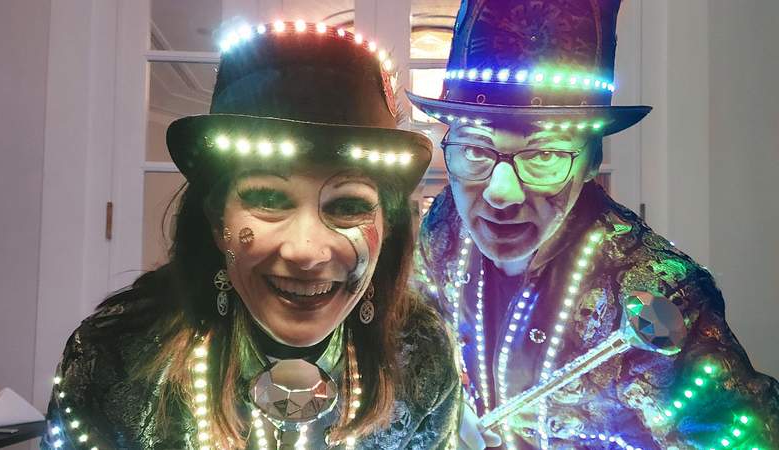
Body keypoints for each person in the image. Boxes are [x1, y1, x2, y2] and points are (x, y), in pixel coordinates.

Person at [41, 20, 460, 449]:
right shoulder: (111, 359)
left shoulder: (423, 358)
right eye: (268, 198)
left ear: (386, 229)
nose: (305, 251)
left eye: (349, 206)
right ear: (215, 220)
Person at [408, 0, 779, 448]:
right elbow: (418, 336)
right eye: (474, 149)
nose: (499, 192)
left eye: (545, 154)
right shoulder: (446, 224)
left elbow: (747, 437)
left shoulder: (660, 296)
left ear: (591, 162)